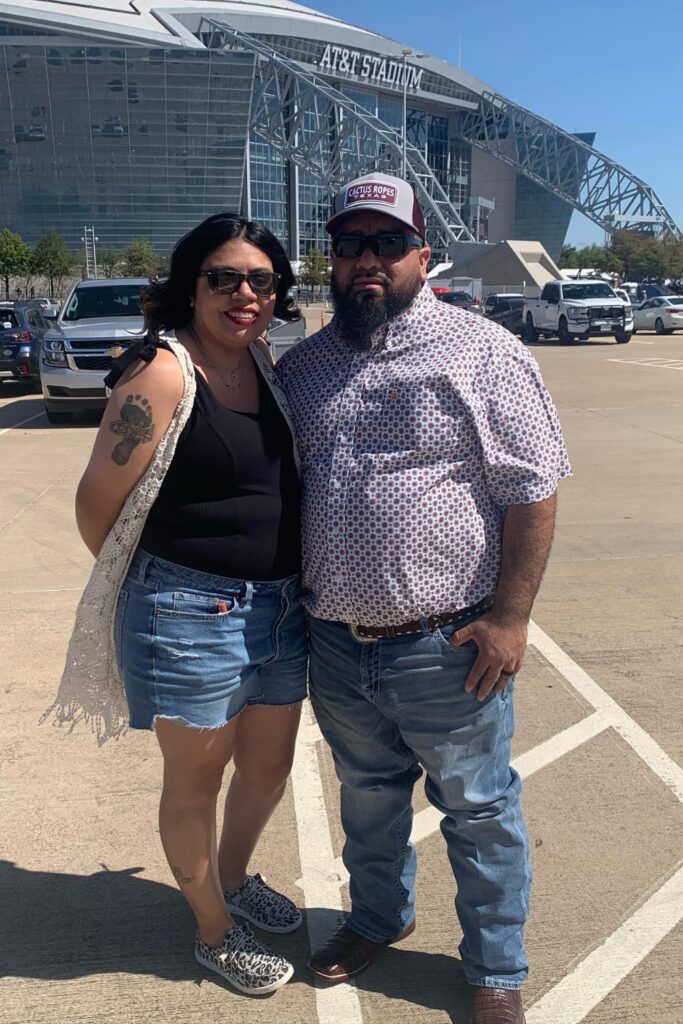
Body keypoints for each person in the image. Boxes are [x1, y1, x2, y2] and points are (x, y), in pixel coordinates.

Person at [277, 172, 571, 1024]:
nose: (367, 261)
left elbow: (532, 489)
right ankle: (378, 917)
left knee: (478, 813)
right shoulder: (302, 369)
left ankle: (495, 968)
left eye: (386, 244)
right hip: (335, 642)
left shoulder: (483, 351)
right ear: (330, 260)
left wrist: (510, 619)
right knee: (367, 802)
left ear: (421, 254)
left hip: (447, 647)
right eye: (349, 245)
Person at [67, 213, 308, 996]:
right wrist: (154, 587)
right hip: (187, 612)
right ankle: (214, 931)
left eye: (260, 280)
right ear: (190, 285)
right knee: (195, 783)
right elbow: (95, 504)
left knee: (268, 768)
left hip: (277, 608)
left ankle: (232, 878)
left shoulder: (261, 362)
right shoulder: (163, 371)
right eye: (223, 278)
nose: (243, 294)